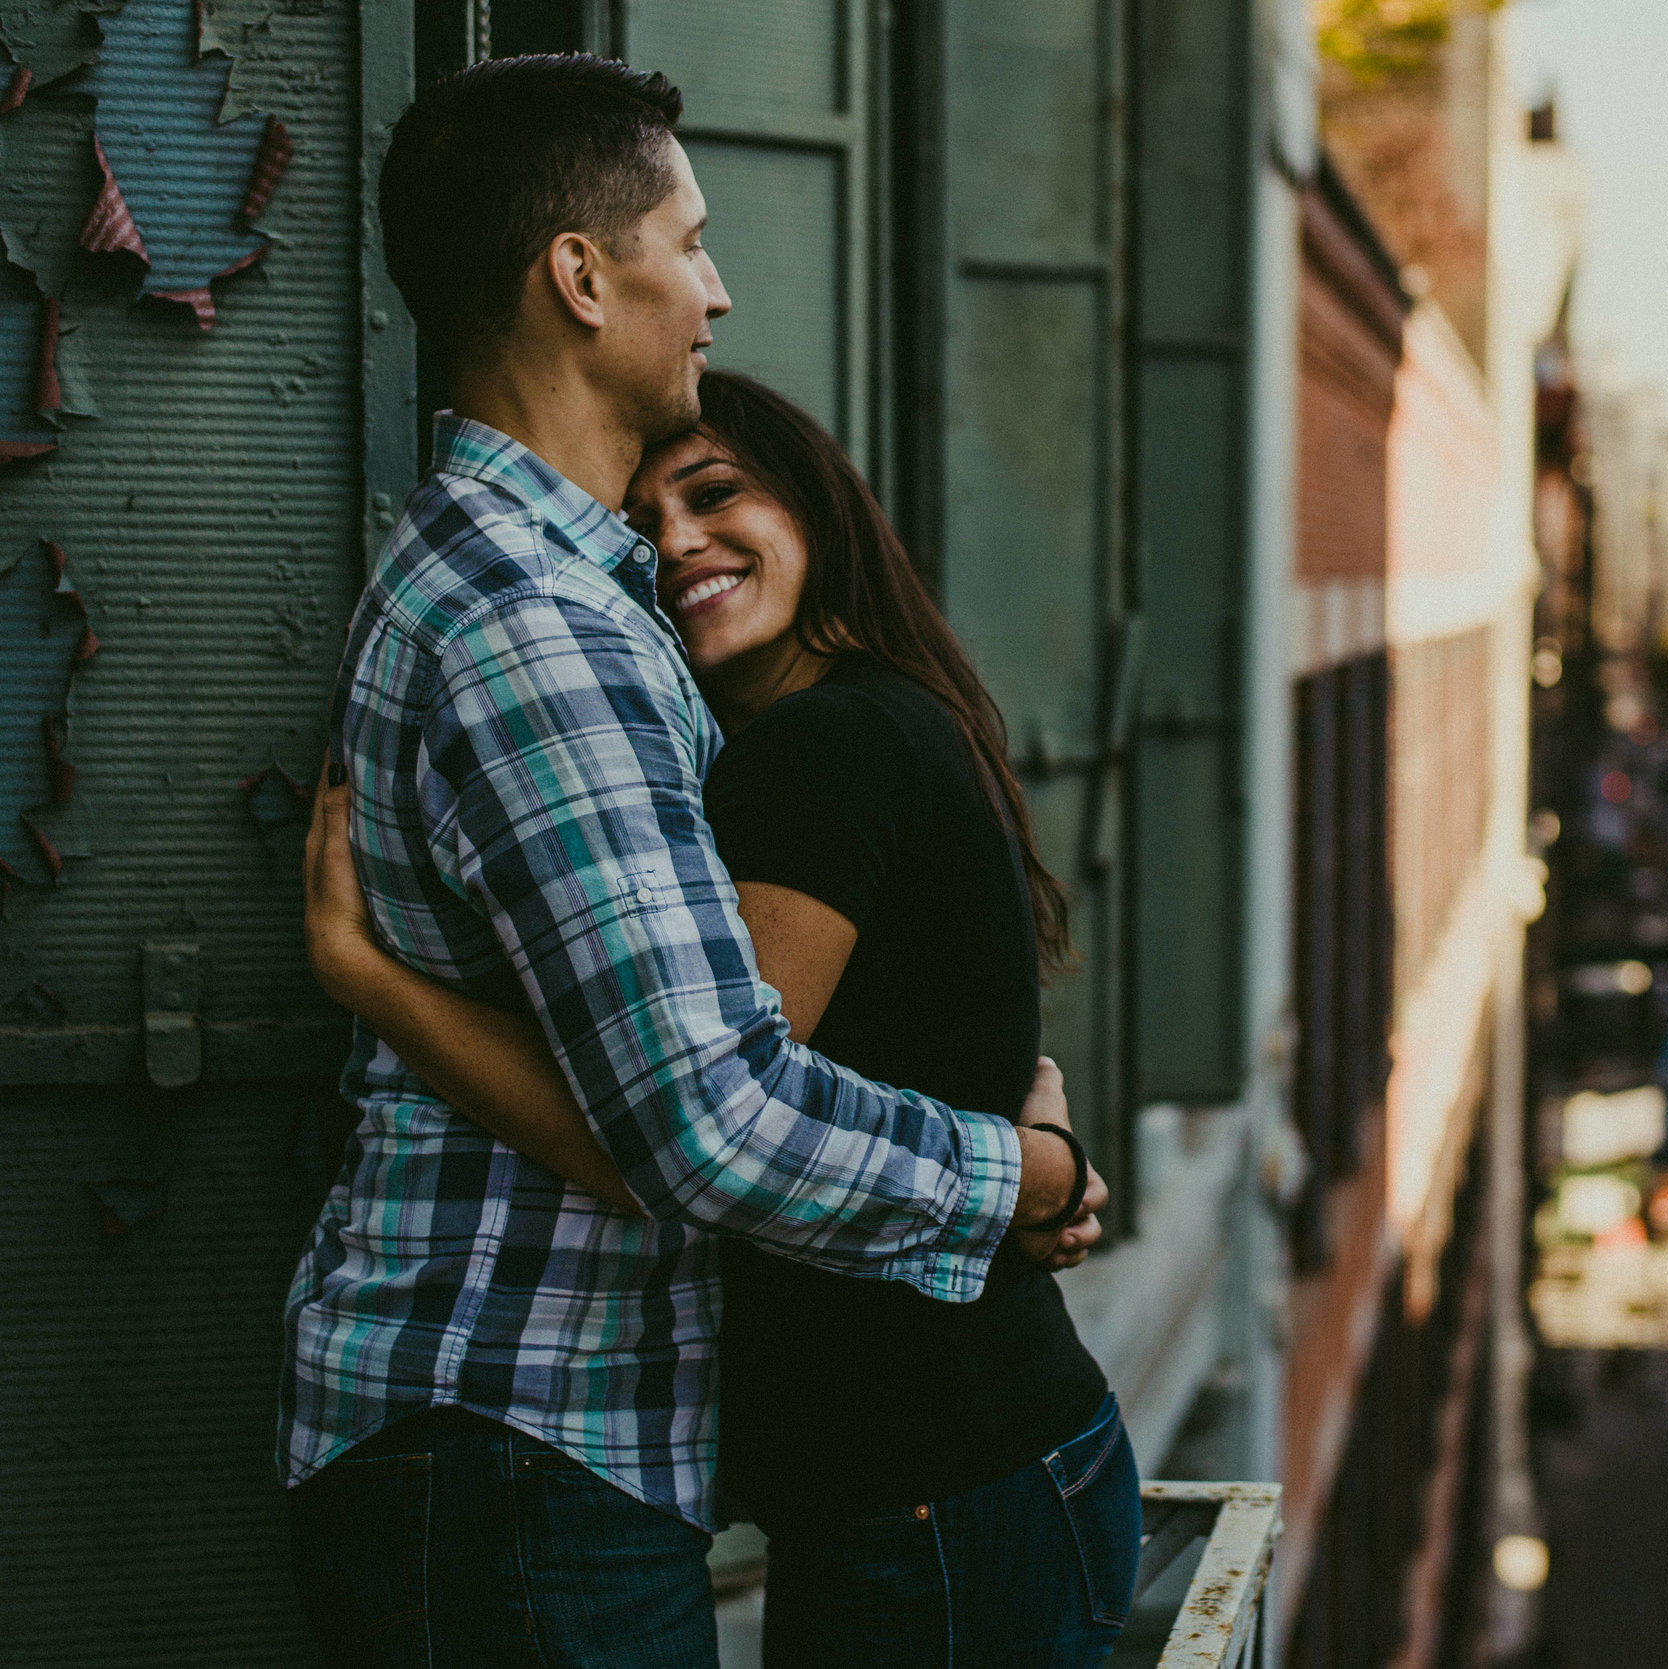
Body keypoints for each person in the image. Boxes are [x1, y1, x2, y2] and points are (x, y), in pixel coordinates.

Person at [283, 55, 1102, 1667]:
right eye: (688, 238)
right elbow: (707, 1120)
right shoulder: (539, 632)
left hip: (525, 1448)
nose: (718, 291)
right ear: (583, 278)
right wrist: (1023, 1172)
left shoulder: (547, 592)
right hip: (520, 1431)